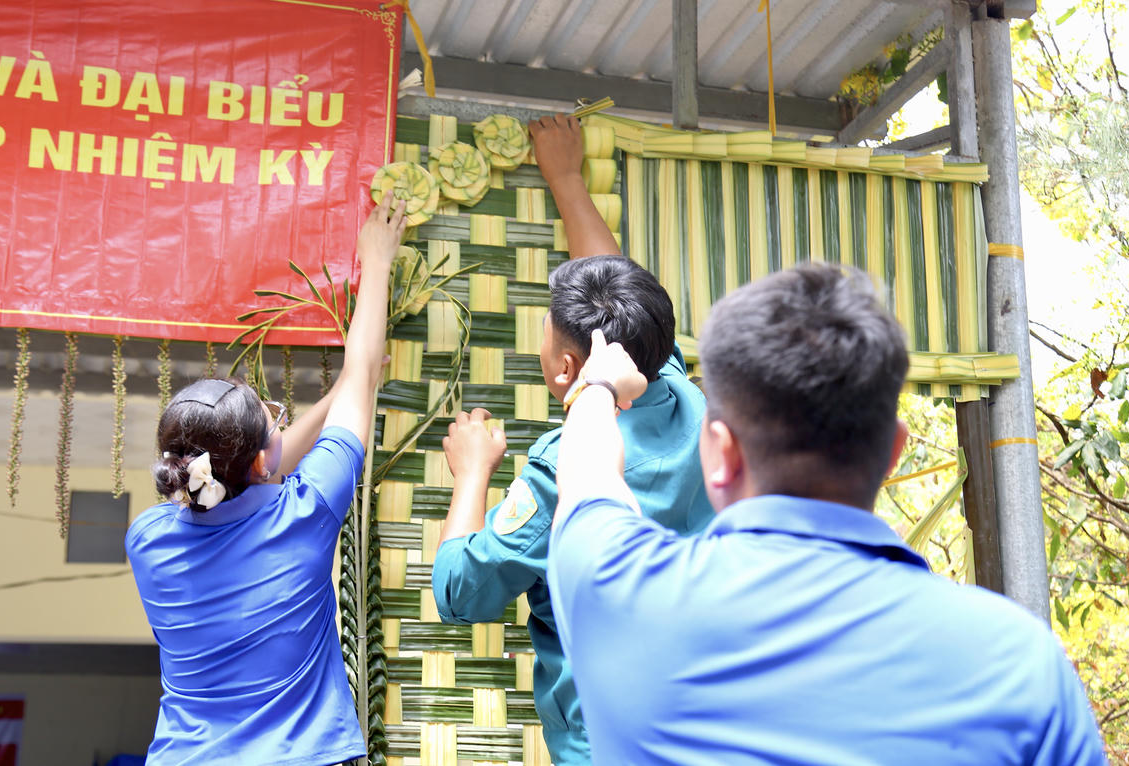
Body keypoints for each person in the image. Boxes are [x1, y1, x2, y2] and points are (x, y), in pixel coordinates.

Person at [548, 265, 1109, 765]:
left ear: (720, 450)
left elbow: (588, 478)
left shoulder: (622, 593)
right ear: (893, 452)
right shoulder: (1020, 661)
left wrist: (597, 386)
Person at [429, 115, 715, 764]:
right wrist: (566, 180)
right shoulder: (682, 395)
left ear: (565, 369)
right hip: (702, 719)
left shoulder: (563, 472)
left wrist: (473, 472)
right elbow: (609, 273)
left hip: (607, 741)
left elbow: (459, 591)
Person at [126, 193, 406, 765]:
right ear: (259, 462)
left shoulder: (149, 540)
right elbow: (364, 369)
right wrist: (376, 260)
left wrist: (336, 397)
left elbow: (254, 471)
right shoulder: (308, 513)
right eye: (273, 417)